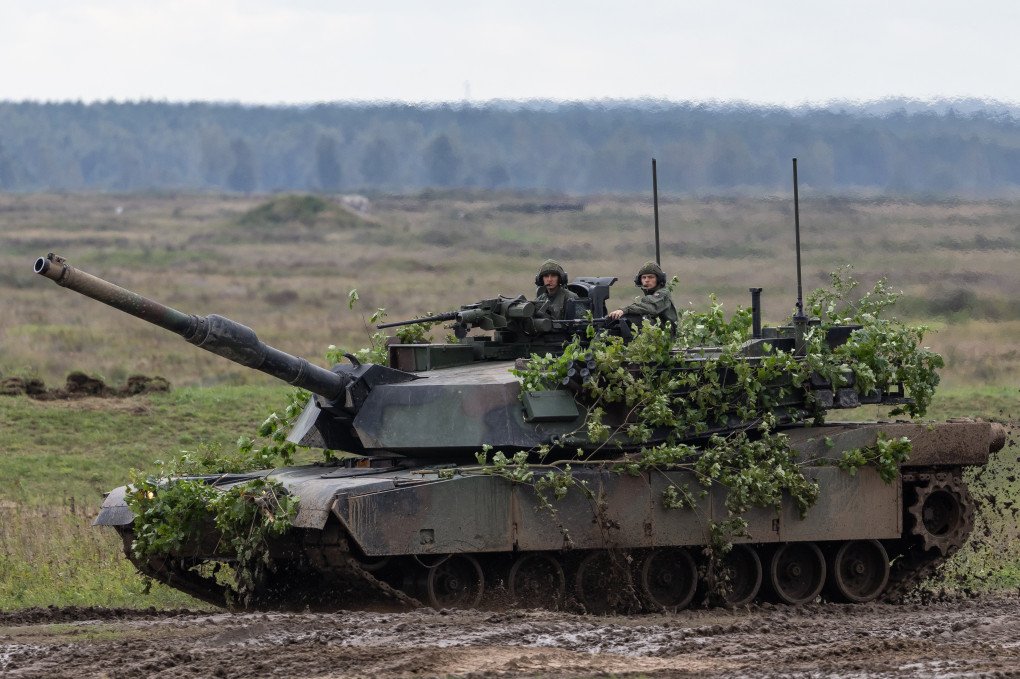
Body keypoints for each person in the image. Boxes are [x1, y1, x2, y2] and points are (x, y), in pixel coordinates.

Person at [607, 261, 679, 330]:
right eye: (644, 277)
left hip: (667, 339)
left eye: (651, 277)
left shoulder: (663, 293)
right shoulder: (651, 295)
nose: (646, 280)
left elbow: (650, 307)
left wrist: (625, 310)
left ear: (658, 279)